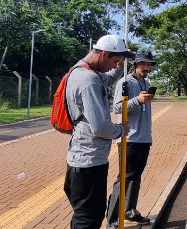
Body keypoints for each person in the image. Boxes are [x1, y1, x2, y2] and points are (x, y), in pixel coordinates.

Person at [64, 34, 134, 229]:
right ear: (104, 53)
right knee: (89, 219)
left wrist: (121, 64)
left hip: (80, 160)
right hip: (89, 164)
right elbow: (100, 127)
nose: (115, 65)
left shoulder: (82, 71)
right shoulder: (89, 80)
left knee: (83, 216)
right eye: (115, 60)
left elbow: (110, 78)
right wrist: (121, 129)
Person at [106, 50, 157, 228]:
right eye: (143, 64)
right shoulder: (125, 82)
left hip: (144, 138)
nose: (146, 67)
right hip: (130, 139)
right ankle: (112, 219)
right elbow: (117, 108)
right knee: (125, 178)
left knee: (136, 176)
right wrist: (137, 100)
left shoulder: (146, 82)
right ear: (135, 64)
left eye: (149, 64)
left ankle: (130, 210)